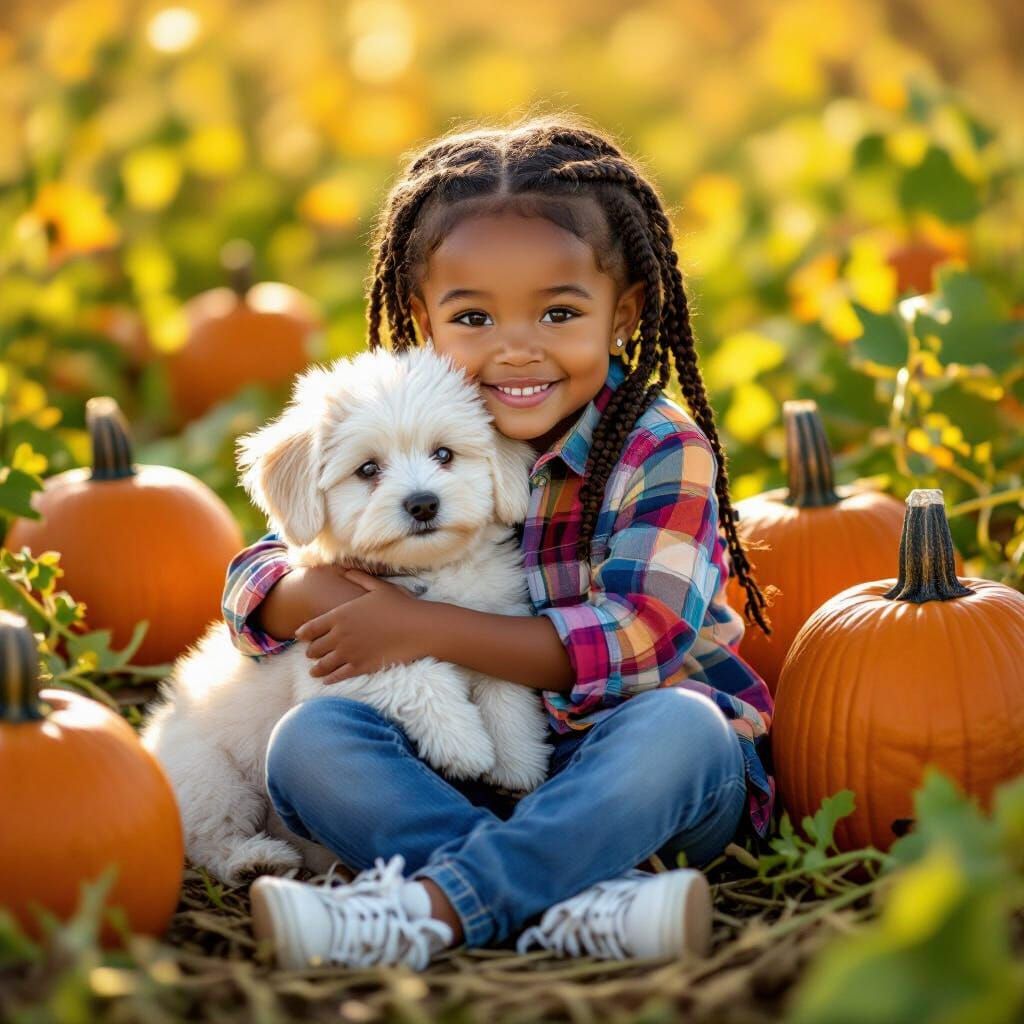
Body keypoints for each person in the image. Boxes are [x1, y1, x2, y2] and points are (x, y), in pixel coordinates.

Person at [225, 114, 775, 971]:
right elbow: (263, 567)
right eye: (473, 316)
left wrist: (418, 629)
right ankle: (578, 906)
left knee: (685, 728)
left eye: (559, 312)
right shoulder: (419, 419)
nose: (516, 350)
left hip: (633, 774)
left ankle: (434, 908)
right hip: (453, 772)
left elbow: (640, 641)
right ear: (423, 320)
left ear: (623, 313)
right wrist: (322, 596)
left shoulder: (661, 449)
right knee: (308, 743)